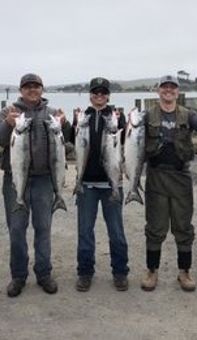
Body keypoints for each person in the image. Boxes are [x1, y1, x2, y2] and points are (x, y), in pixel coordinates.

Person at [0, 73, 70, 297]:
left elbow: (67, 143)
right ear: (21, 90)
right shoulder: (8, 112)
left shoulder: (52, 114)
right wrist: (6, 125)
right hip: (15, 179)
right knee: (17, 231)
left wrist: (66, 124)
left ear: (42, 89)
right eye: (27, 87)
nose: (32, 90)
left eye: (36, 86)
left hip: (43, 181)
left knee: (43, 229)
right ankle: (18, 276)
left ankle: (44, 273)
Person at [141, 75, 197, 292]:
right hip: (156, 176)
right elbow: (128, 136)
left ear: (178, 92)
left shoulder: (189, 115)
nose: (168, 91)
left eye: (172, 88)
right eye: (164, 87)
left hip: (181, 177)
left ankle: (184, 271)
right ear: (158, 91)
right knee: (155, 226)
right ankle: (152, 270)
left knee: (183, 227)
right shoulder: (147, 115)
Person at [71, 77, 129, 292]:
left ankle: (120, 271)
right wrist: (67, 124)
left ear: (108, 95)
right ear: (90, 94)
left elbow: (127, 143)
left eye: (103, 92)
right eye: (95, 92)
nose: (99, 96)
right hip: (86, 184)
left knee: (116, 231)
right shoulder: (82, 116)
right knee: (85, 231)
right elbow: (71, 141)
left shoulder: (116, 117)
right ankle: (85, 272)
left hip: (111, 183)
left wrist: (125, 123)